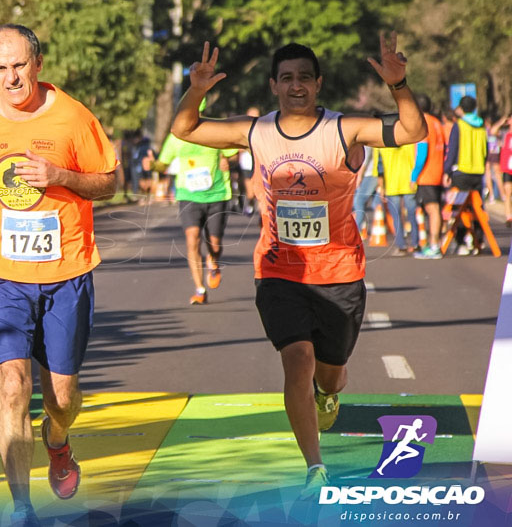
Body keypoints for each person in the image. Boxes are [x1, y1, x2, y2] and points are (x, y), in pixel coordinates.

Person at [170, 33, 426, 497]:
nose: (296, 87)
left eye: (304, 78)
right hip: (278, 270)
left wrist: (400, 84)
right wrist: (198, 89)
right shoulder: (257, 132)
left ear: (318, 84)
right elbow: (184, 130)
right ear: (273, 85)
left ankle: (329, 393)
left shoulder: (344, 129)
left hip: (339, 273)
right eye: (286, 79)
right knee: (298, 360)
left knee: (329, 372)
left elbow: (412, 132)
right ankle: (315, 467)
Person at [0, 24, 117, 525]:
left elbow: (110, 182)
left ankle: (59, 440)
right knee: (11, 384)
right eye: (0, 69)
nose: (11, 77)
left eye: (19, 65)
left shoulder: (72, 117)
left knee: (61, 396)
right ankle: (21, 506)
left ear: (38, 64)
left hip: (66, 271)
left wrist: (61, 176)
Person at [146, 102, 236, 304]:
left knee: (215, 243)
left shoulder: (214, 130)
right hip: (188, 195)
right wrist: (152, 164)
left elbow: (233, 151)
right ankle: (199, 289)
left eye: (196, 110)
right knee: (192, 239)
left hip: (217, 195)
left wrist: (228, 160)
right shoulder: (177, 136)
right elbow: (164, 164)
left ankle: (213, 261)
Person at [444, 95, 488, 254]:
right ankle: (479, 239)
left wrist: (447, 170)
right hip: (478, 172)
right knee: (478, 207)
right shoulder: (482, 125)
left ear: (461, 108)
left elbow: (452, 149)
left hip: (461, 171)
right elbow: (485, 150)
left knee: (460, 208)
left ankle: (461, 241)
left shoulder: (459, 125)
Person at [412, 94, 447, 258]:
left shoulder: (423, 123)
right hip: (438, 172)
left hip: (427, 174)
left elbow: (422, 152)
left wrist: (414, 176)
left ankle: (434, 246)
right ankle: (433, 244)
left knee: (432, 211)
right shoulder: (437, 122)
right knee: (435, 210)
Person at [372, 143, 419, 255]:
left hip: (391, 184)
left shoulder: (380, 143)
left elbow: (379, 167)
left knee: (396, 216)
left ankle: (401, 246)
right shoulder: (410, 139)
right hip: (410, 182)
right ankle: (415, 244)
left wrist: (381, 186)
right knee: (412, 214)